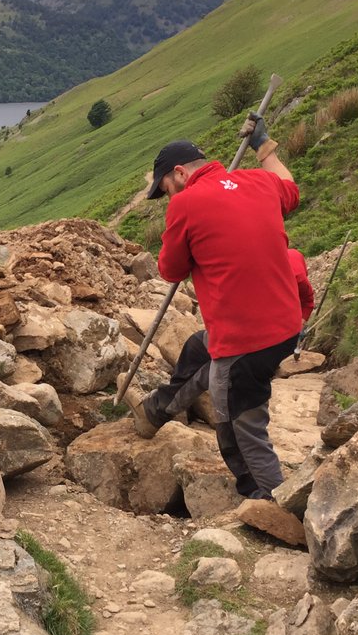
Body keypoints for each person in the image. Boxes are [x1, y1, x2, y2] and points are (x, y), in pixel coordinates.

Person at [133, 115, 302, 502]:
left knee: (238, 425)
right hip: (285, 326)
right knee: (198, 348)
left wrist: (186, 223)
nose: (170, 199)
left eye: (167, 190)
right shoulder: (259, 181)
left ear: (179, 173)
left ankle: (271, 502)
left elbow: (170, 269)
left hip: (245, 339)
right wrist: (264, 145)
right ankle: (158, 409)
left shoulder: (187, 204)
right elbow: (291, 187)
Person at [123, 247, 313, 437]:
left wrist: (299, 323)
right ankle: (156, 410)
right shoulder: (252, 268)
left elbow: (307, 300)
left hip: (270, 334)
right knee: (197, 346)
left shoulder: (293, 275)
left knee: (217, 369)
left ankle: (155, 414)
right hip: (247, 324)